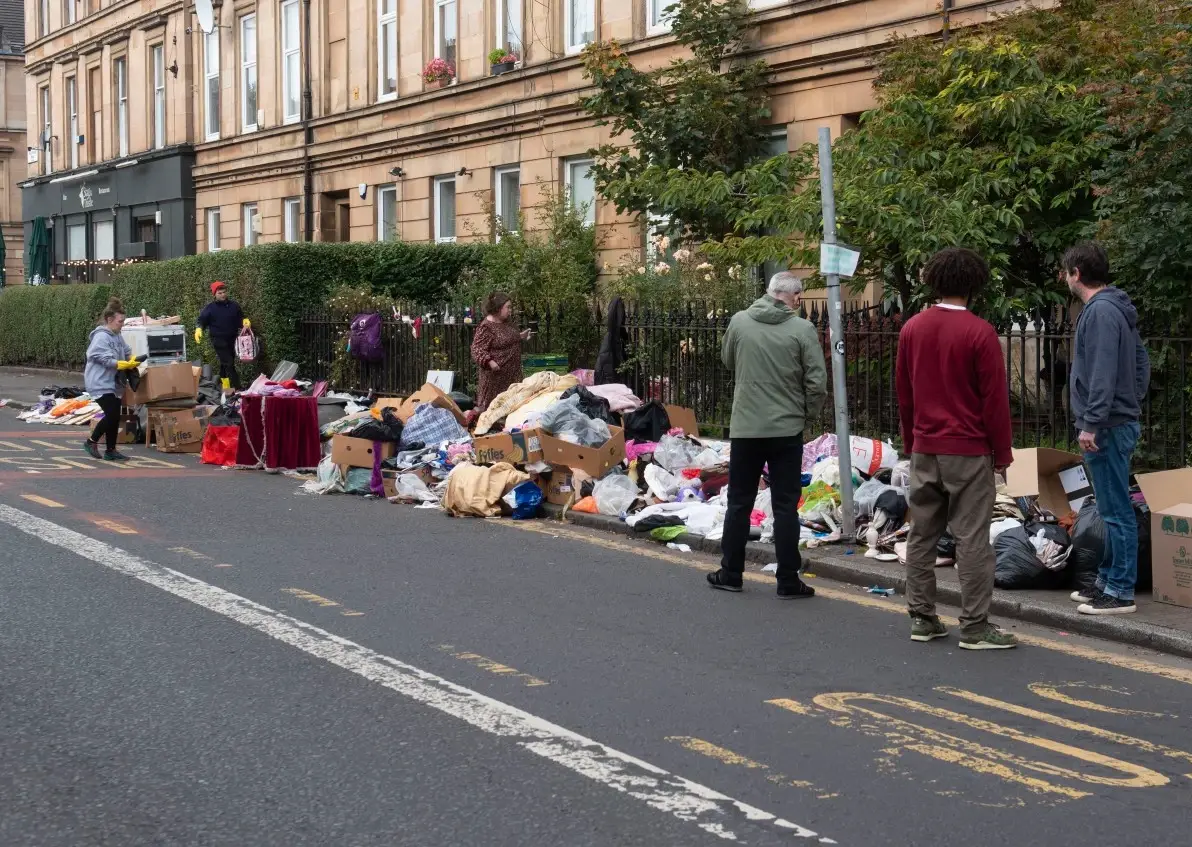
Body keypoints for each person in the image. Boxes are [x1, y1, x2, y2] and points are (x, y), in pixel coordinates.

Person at [896, 247, 1017, 650]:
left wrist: (911, 443)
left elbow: (905, 393)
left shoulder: (912, 328)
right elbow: (994, 402)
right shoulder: (980, 333)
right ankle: (976, 626)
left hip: (925, 447)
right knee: (972, 541)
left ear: (933, 280)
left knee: (921, 534)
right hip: (968, 450)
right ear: (975, 285)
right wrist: (1002, 454)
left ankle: (922, 617)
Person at [707, 272, 826, 598]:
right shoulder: (802, 329)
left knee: (739, 502)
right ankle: (788, 580)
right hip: (786, 430)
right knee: (786, 506)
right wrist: (806, 414)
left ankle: (731, 573)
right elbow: (816, 381)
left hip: (746, 428)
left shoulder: (740, 322)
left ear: (768, 292)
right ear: (796, 298)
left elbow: (728, 361)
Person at [1064, 241, 1150, 616]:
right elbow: (1140, 363)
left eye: (1065, 272)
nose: (1064, 279)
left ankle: (1119, 592)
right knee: (1112, 506)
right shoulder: (1117, 308)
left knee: (1116, 512)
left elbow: (1100, 373)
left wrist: (1092, 422)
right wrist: (1132, 401)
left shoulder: (1099, 312)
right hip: (1118, 420)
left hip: (1106, 426)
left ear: (1076, 273)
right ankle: (1106, 579)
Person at [83, 298, 139, 461]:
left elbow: (126, 350)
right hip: (99, 382)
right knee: (113, 414)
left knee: (115, 415)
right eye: (120, 321)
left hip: (113, 383)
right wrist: (119, 363)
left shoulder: (117, 335)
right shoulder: (101, 337)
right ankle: (91, 441)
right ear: (109, 320)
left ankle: (111, 450)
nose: (122, 324)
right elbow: (97, 356)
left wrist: (132, 358)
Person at [471, 292, 531, 412]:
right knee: (493, 411)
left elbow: (504, 340)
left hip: (512, 377)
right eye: (508, 307)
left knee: (511, 410)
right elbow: (476, 349)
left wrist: (520, 336)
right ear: (498, 308)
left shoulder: (507, 323)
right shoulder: (487, 327)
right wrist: (490, 361)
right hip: (496, 380)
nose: (511, 310)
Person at [195, 281, 249, 391]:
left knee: (225, 363)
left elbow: (240, 318)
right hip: (218, 339)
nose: (223, 295)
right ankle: (238, 388)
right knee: (229, 363)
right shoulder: (210, 308)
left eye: (224, 292)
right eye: (219, 293)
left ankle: (225, 386)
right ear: (214, 294)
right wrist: (199, 329)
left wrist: (245, 322)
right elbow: (201, 320)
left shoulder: (234, 306)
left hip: (232, 339)